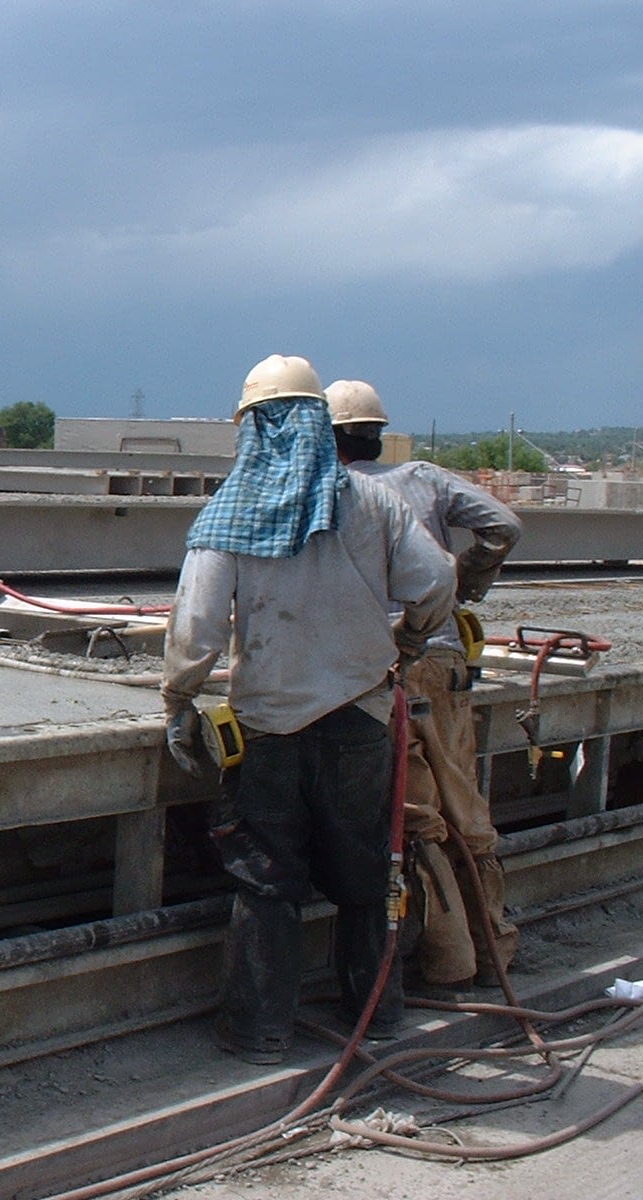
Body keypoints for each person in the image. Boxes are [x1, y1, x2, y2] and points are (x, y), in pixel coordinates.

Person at [162, 354, 456, 1065]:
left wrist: (178, 700)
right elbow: (438, 578)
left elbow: (196, 629)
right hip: (361, 718)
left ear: (253, 428)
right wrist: (409, 642)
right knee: (367, 872)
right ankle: (376, 1016)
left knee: (266, 881)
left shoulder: (229, 511)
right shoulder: (376, 503)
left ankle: (262, 1032)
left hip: (269, 727)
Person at [326, 379, 523, 993]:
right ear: (378, 433)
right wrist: (468, 581)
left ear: (329, 436)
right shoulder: (427, 479)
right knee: (469, 815)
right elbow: (503, 526)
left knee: (419, 820)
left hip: (392, 668)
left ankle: (449, 963)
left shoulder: (337, 494)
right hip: (447, 666)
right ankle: (497, 957)